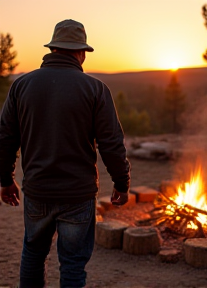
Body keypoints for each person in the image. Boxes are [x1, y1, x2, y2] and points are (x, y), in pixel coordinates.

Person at [0, 19, 130, 288]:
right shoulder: (95, 89)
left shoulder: (21, 86)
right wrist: (122, 183)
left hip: (37, 190)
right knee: (72, 263)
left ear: (53, 48)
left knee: (34, 254)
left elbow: (4, 139)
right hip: (78, 195)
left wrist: (5, 180)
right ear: (81, 52)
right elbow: (112, 143)